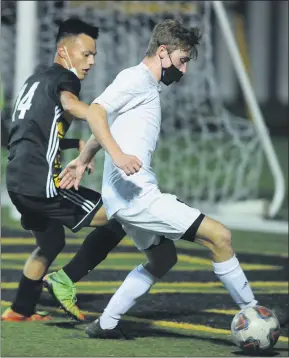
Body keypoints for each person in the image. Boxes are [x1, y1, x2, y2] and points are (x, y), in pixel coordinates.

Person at [55, 19, 264, 338]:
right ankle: (254, 313)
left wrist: (84, 159)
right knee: (219, 236)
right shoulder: (136, 78)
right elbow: (96, 112)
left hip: (126, 198)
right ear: (163, 52)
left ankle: (106, 324)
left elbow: (109, 120)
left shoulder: (145, 85)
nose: (184, 70)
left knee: (163, 258)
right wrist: (118, 155)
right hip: (137, 197)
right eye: (182, 60)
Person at [1, 18, 127, 323]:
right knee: (120, 215)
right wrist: (100, 117)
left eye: (94, 55)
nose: (92, 61)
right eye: (86, 54)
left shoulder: (34, 80)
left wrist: (73, 142)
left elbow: (27, 131)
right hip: (40, 185)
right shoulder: (65, 79)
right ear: (64, 51)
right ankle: (65, 278)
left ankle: (20, 309)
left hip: (17, 182)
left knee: (50, 243)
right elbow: (71, 105)